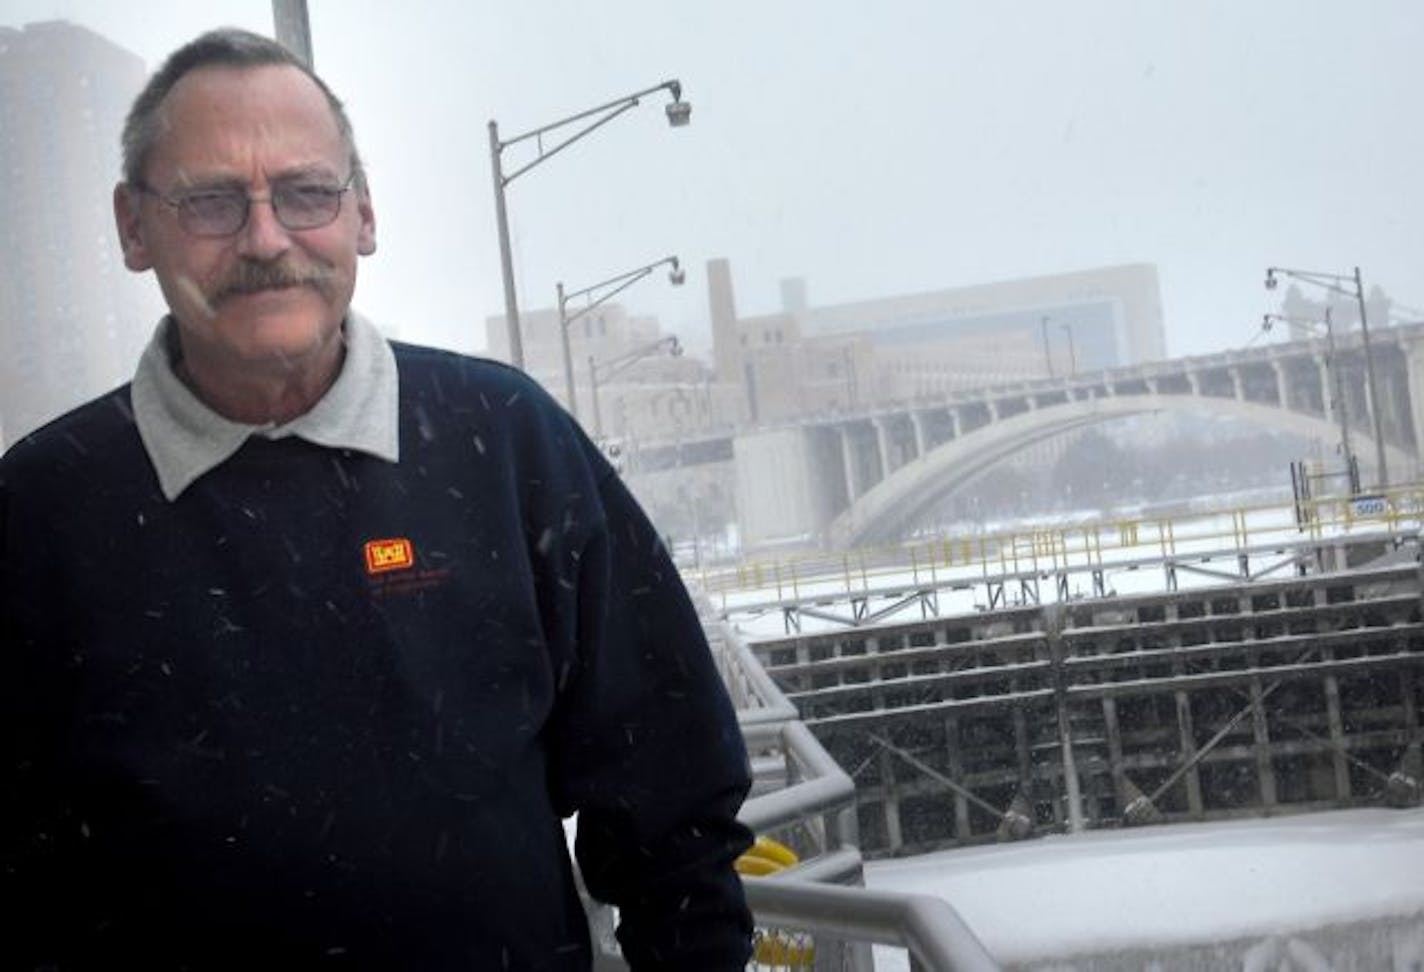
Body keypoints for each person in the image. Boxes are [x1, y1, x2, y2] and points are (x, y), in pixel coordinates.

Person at [0, 27, 754, 970]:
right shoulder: (39, 511)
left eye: (306, 192)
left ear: (363, 212)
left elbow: (672, 804)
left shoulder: (509, 443)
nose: (267, 239)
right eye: (210, 202)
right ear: (132, 226)